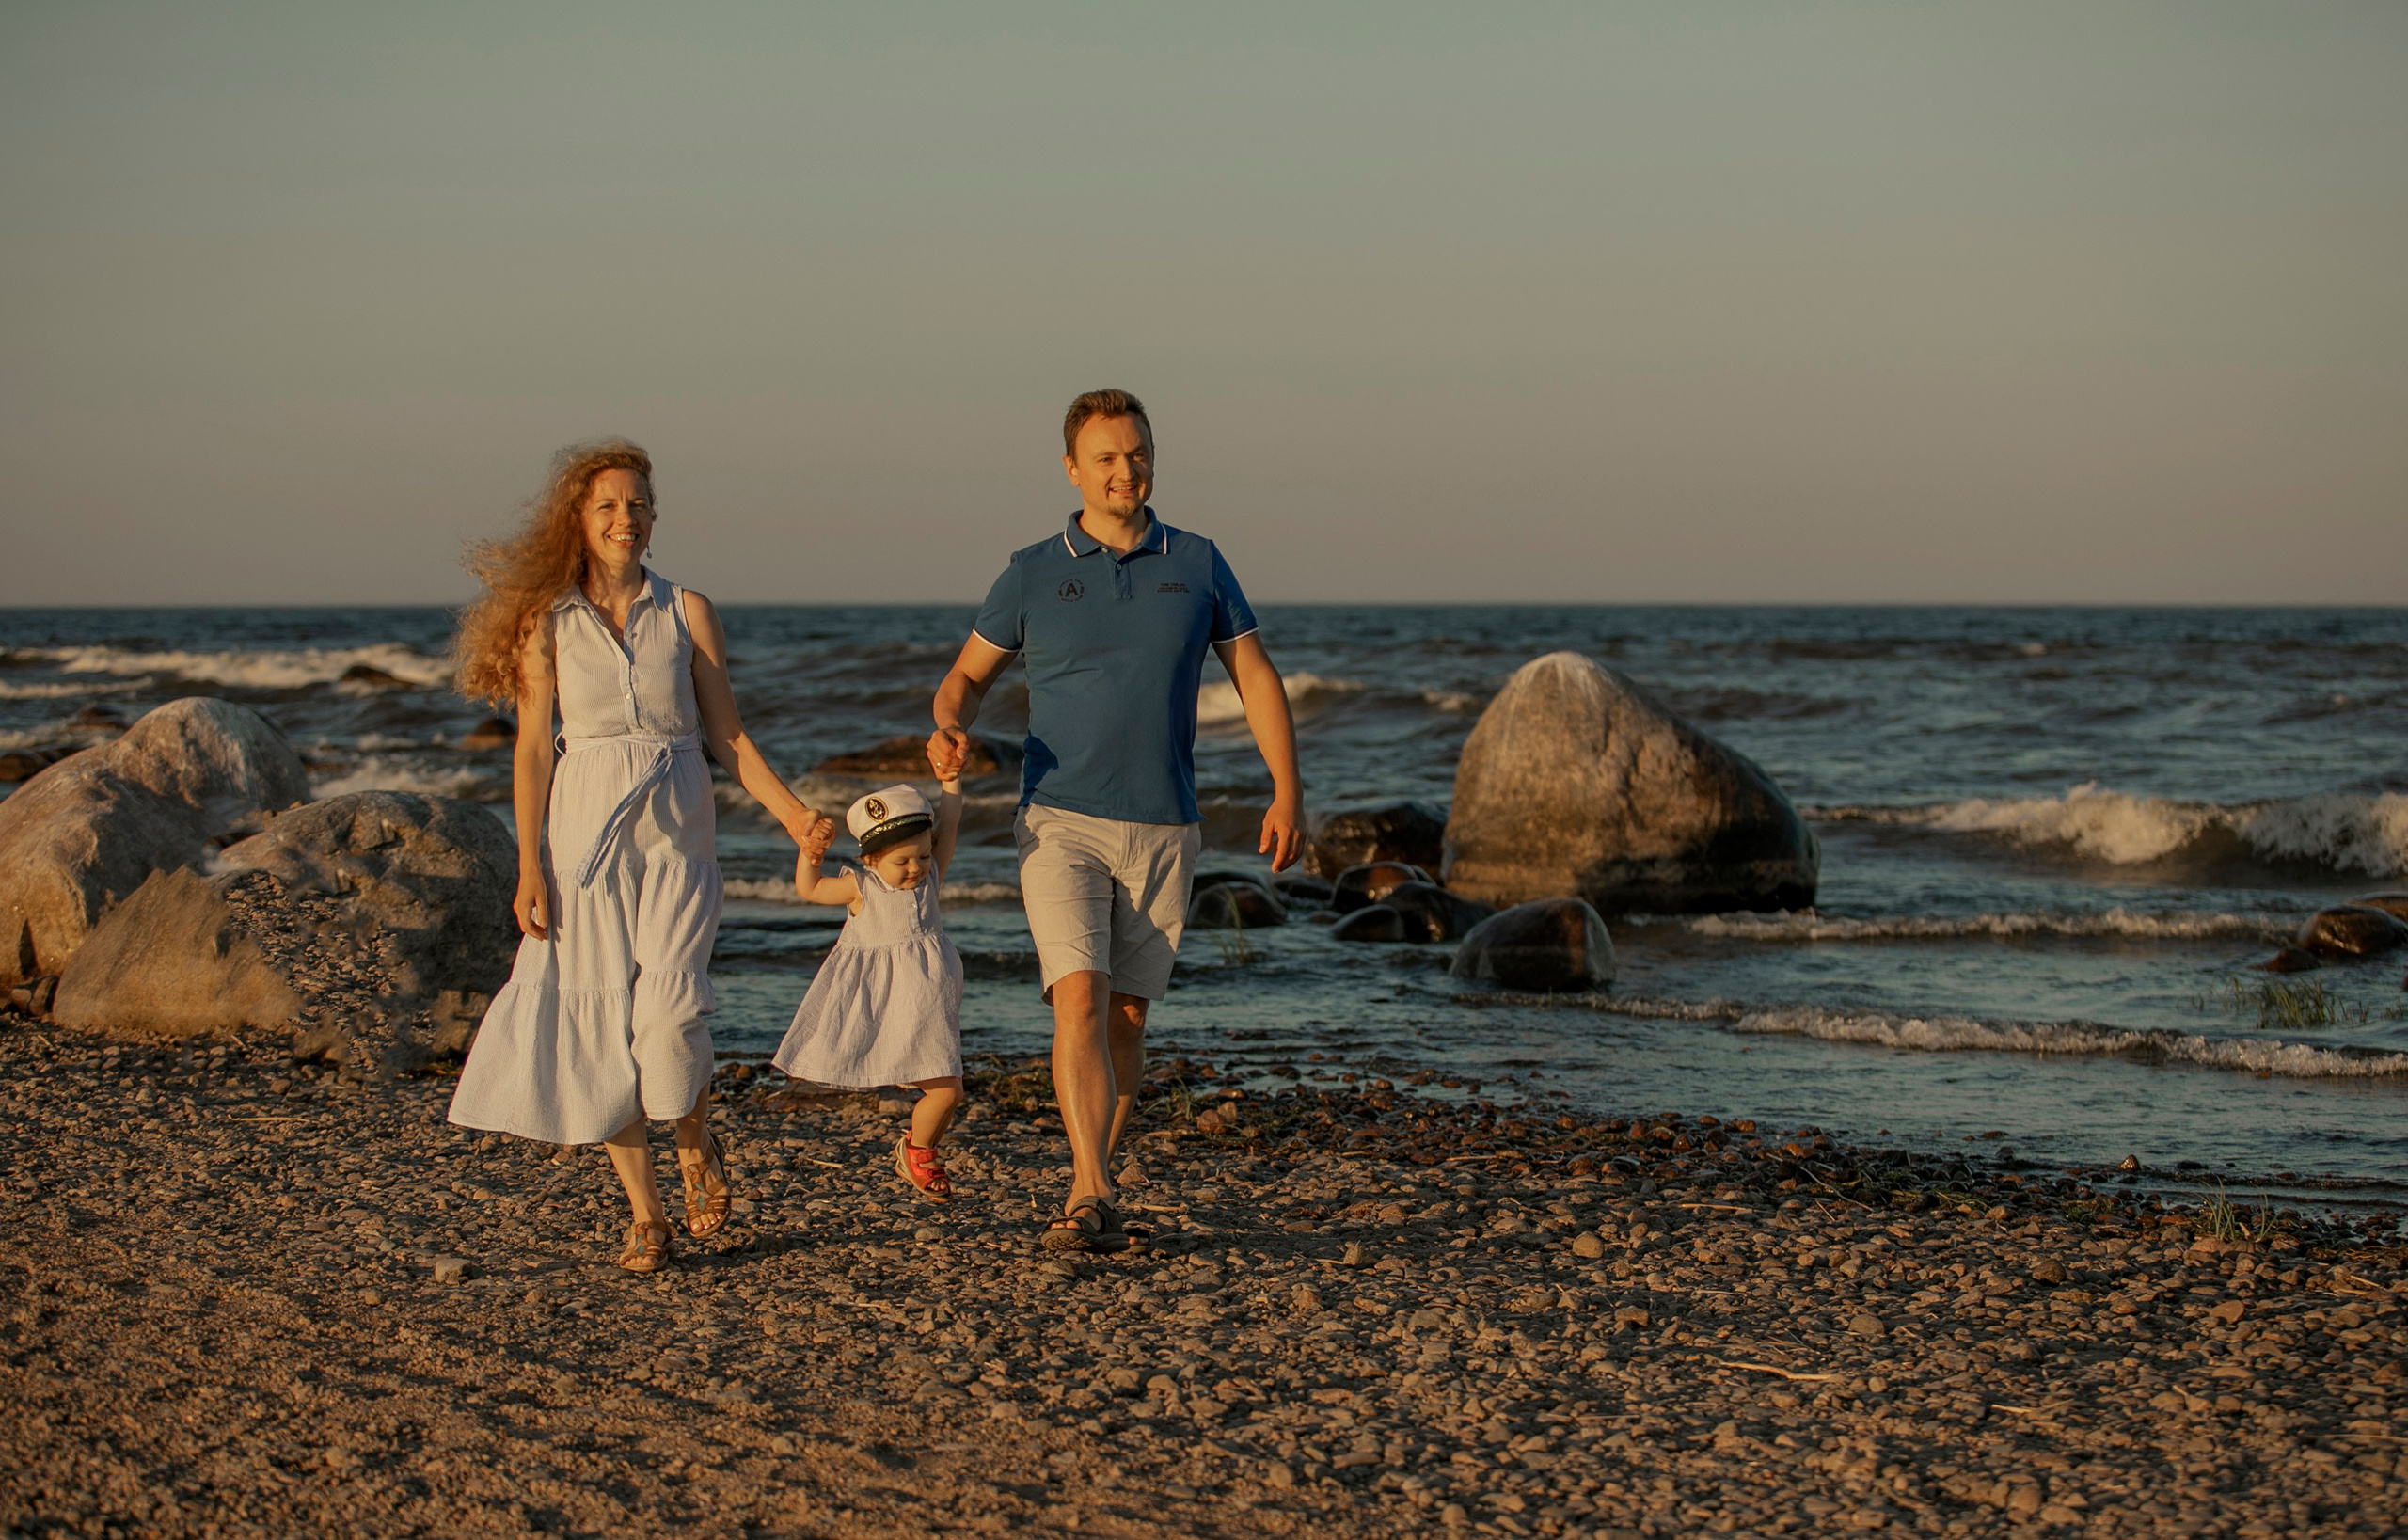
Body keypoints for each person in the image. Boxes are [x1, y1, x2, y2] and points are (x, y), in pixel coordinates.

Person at [447, 437, 834, 1273]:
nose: (627, 517)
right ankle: (646, 1215)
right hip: (582, 838)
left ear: (656, 517)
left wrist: (795, 816)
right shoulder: (545, 623)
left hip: (678, 833)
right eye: (609, 506)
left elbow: (727, 735)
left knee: (668, 1013)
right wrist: (528, 867)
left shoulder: (687, 609)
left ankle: (694, 1136)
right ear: (580, 523)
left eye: (639, 504)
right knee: (599, 1027)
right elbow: (532, 753)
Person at [928, 388, 1303, 1252]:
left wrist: (1287, 787)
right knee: (1079, 998)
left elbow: (1255, 675)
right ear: (1072, 468)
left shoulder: (1199, 562)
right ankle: (1091, 1187)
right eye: (1105, 457)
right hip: (1059, 816)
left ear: (1153, 459)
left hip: (1166, 823)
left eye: (1136, 453)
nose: (1124, 470)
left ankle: (1093, 1173)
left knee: (1127, 1016)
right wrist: (950, 723)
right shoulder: (1030, 571)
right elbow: (966, 678)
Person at [770, 774, 967, 1200]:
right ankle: (919, 1150)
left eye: (923, 856)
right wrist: (811, 854)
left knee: (949, 1091)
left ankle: (918, 1148)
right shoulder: (862, 889)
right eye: (903, 862)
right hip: (884, 1002)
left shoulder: (930, 879)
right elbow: (810, 888)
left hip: (928, 1001)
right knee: (948, 1089)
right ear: (871, 860)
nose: (916, 868)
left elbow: (948, 827)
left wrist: (950, 784)